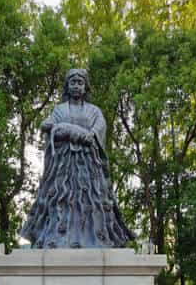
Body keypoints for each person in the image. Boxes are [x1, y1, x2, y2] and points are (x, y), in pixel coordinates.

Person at [20, 68, 133, 249]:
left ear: (85, 87)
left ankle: (96, 238)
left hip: (88, 164)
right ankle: (56, 237)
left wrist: (78, 134)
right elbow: (51, 131)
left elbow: (96, 133)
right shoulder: (59, 110)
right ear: (67, 86)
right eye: (73, 82)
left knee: (92, 200)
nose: (76, 86)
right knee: (60, 198)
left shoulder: (95, 111)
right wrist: (52, 128)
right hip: (63, 165)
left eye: (80, 83)